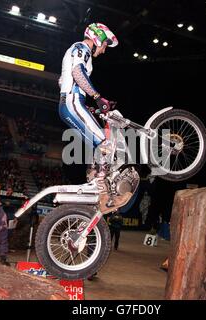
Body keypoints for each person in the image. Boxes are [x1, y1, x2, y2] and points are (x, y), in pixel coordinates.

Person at [58, 22, 131, 213]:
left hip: (73, 102)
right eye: (105, 44)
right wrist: (98, 98)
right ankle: (101, 188)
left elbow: (64, 80)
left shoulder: (77, 52)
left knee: (100, 143)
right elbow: (77, 73)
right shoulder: (81, 48)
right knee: (105, 143)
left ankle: (95, 178)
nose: (105, 50)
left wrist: (87, 105)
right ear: (97, 38)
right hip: (72, 102)